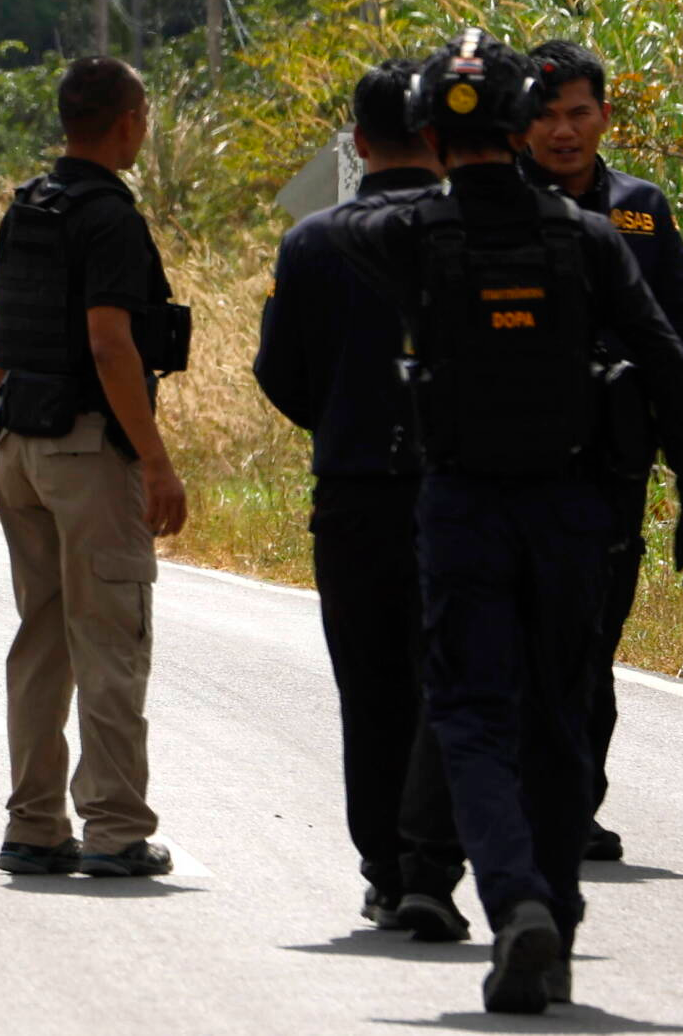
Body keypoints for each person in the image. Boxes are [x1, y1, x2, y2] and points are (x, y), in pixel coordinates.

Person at [333, 31, 683, 1015]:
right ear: (520, 125)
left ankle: (516, 901)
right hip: (577, 507)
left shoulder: (399, 237)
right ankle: (548, 907)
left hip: (462, 504)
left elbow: (346, 238)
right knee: (561, 709)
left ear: (426, 133)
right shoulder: (593, 239)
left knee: (472, 712)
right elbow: (671, 361)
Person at [251, 62, 467, 939]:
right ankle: (432, 869)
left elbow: (280, 372)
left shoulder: (312, 243)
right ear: (437, 137)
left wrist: (341, 418)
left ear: (359, 142)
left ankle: (384, 867)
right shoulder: (468, 231)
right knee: (452, 678)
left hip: (352, 499)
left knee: (370, 687)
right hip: (457, 491)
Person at [520, 38, 683, 865]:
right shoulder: (495, 204)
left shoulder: (640, 209)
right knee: (520, 633)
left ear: (603, 116)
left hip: (616, 459)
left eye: (579, 113)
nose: (564, 132)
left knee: (595, 636)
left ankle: (574, 802)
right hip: (518, 458)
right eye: (546, 115)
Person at [0, 55, 188, 882]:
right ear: (128, 119)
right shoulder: (109, 217)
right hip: (88, 450)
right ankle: (114, 830)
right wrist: (156, 460)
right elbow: (111, 342)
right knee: (110, 640)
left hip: (19, 449)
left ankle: (34, 824)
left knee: (41, 640)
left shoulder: (28, 205)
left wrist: (11, 423)